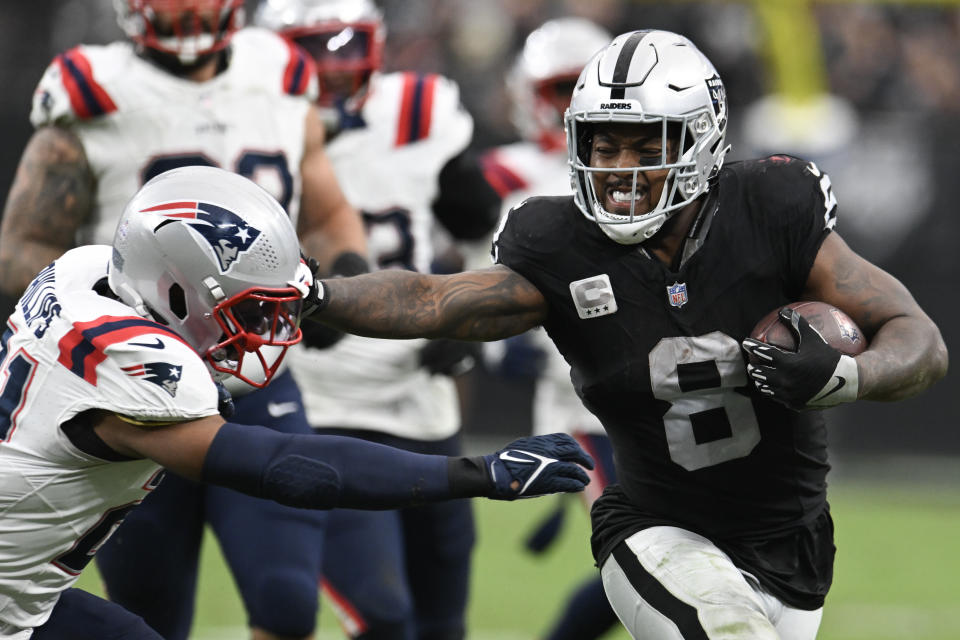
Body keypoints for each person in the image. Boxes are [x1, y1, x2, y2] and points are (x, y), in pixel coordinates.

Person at [298, 30, 948, 640]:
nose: (619, 169)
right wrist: (313, 294)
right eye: (603, 147)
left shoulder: (771, 209)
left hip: (795, 542)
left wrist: (846, 377)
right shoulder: (560, 242)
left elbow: (918, 338)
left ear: (701, 141)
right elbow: (430, 299)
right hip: (655, 529)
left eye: (645, 147)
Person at [0, 165, 594, 640]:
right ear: (173, 288)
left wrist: (306, 287)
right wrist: (480, 472)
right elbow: (287, 468)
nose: (264, 328)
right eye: (248, 309)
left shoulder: (83, 273)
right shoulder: (134, 365)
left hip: (27, 595)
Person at [0, 2, 368, 638]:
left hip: (250, 378)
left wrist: (347, 270)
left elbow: (328, 207)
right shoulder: (92, 88)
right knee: (154, 615)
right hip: (131, 395)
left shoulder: (279, 69)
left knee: (286, 602)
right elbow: (21, 246)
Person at [253, 1, 503, 638]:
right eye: (313, 48)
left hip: (419, 399)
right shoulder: (246, 122)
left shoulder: (419, 113)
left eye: (344, 46)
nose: (332, 68)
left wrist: (465, 320)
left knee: (443, 619)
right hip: (317, 403)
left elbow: (488, 230)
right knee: (383, 614)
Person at [480, 17, 622, 640]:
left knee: (673, 550)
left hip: (658, 388)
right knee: (642, 551)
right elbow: (467, 282)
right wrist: (496, 345)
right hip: (580, 403)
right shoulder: (504, 174)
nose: (566, 106)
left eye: (577, 87)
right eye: (557, 89)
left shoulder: (645, 169)